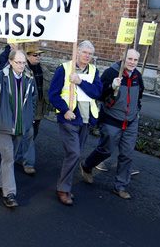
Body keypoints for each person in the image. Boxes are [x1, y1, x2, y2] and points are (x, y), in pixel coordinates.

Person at [81, 49, 144, 200]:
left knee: (127, 154)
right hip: (112, 119)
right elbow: (100, 94)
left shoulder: (137, 76)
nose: (132, 62)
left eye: (135, 60)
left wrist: (135, 112)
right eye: (129, 59)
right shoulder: (111, 73)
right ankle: (87, 165)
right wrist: (112, 87)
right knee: (106, 150)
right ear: (124, 58)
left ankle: (120, 186)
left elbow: (139, 95)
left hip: (130, 121)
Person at [48, 40, 102, 206]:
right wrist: (65, 110)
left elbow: (97, 92)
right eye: (84, 52)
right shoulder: (64, 69)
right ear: (77, 52)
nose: (87, 56)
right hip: (69, 118)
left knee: (73, 154)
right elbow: (53, 94)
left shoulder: (93, 70)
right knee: (75, 154)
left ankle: (66, 186)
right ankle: (63, 189)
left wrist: (80, 81)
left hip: (85, 120)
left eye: (90, 54)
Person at [0, 50, 37, 208]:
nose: (21, 65)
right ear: (11, 61)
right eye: (18, 62)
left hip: (21, 125)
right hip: (3, 125)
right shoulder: (1, 76)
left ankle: (1, 184)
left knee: (10, 158)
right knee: (8, 158)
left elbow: (33, 99)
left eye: (23, 62)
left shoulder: (29, 78)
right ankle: (10, 193)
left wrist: (29, 118)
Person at [15, 44, 46, 175]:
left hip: (39, 108)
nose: (38, 57)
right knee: (29, 134)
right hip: (27, 107)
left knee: (32, 134)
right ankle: (29, 163)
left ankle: (19, 156)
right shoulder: (22, 69)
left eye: (39, 54)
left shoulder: (43, 69)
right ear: (27, 56)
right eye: (35, 55)